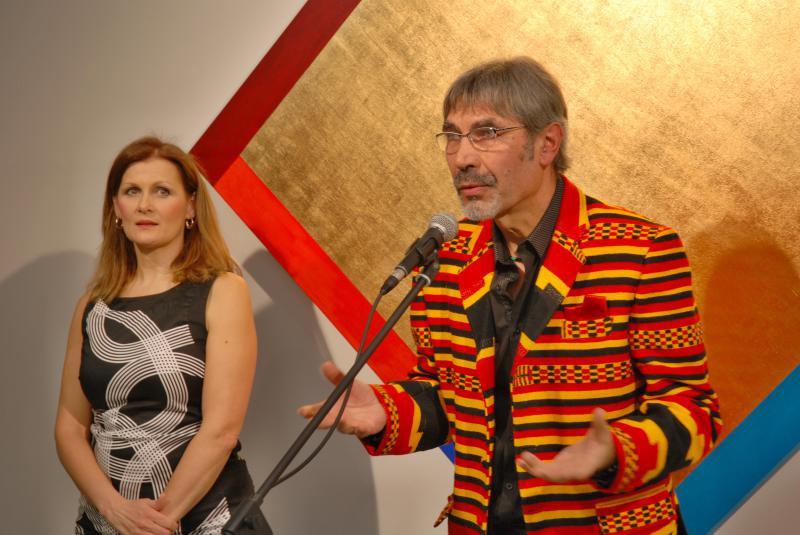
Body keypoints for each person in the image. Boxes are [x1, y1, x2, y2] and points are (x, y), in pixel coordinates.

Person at [300, 57, 721, 534]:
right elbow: (448, 397)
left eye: (487, 133)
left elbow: (694, 411)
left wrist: (616, 450)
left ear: (547, 144)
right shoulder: (446, 257)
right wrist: (386, 412)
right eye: (452, 136)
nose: (462, 157)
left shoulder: (639, 249)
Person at [55, 137, 268, 535]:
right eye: (131, 191)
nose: (144, 205)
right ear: (115, 208)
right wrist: (116, 511)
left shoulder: (223, 290)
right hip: (108, 523)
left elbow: (221, 431)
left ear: (190, 207)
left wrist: (155, 523)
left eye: (162, 191)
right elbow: (69, 429)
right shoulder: (91, 306)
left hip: (207, 520)